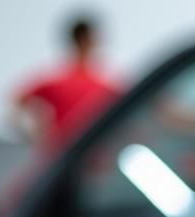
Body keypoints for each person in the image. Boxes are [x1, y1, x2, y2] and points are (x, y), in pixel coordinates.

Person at [13, 16, 120, 151]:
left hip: (89, 153)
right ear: (87, 41)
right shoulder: (61, 82)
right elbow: (18, 100)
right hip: (65, 154)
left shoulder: (104, 84)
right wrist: (36, 133)